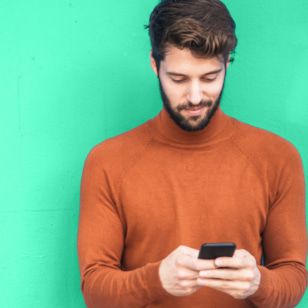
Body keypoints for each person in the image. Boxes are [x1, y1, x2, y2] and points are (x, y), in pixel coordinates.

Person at [77, 0, 307, 307]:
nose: (195, 97)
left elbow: (293, 275)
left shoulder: (277, 157)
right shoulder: (107, 162)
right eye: (179, 79)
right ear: (154, 65)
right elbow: (94, 288)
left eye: (210, 78)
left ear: (228, 65)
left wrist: (258, 282)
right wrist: (156, 279)